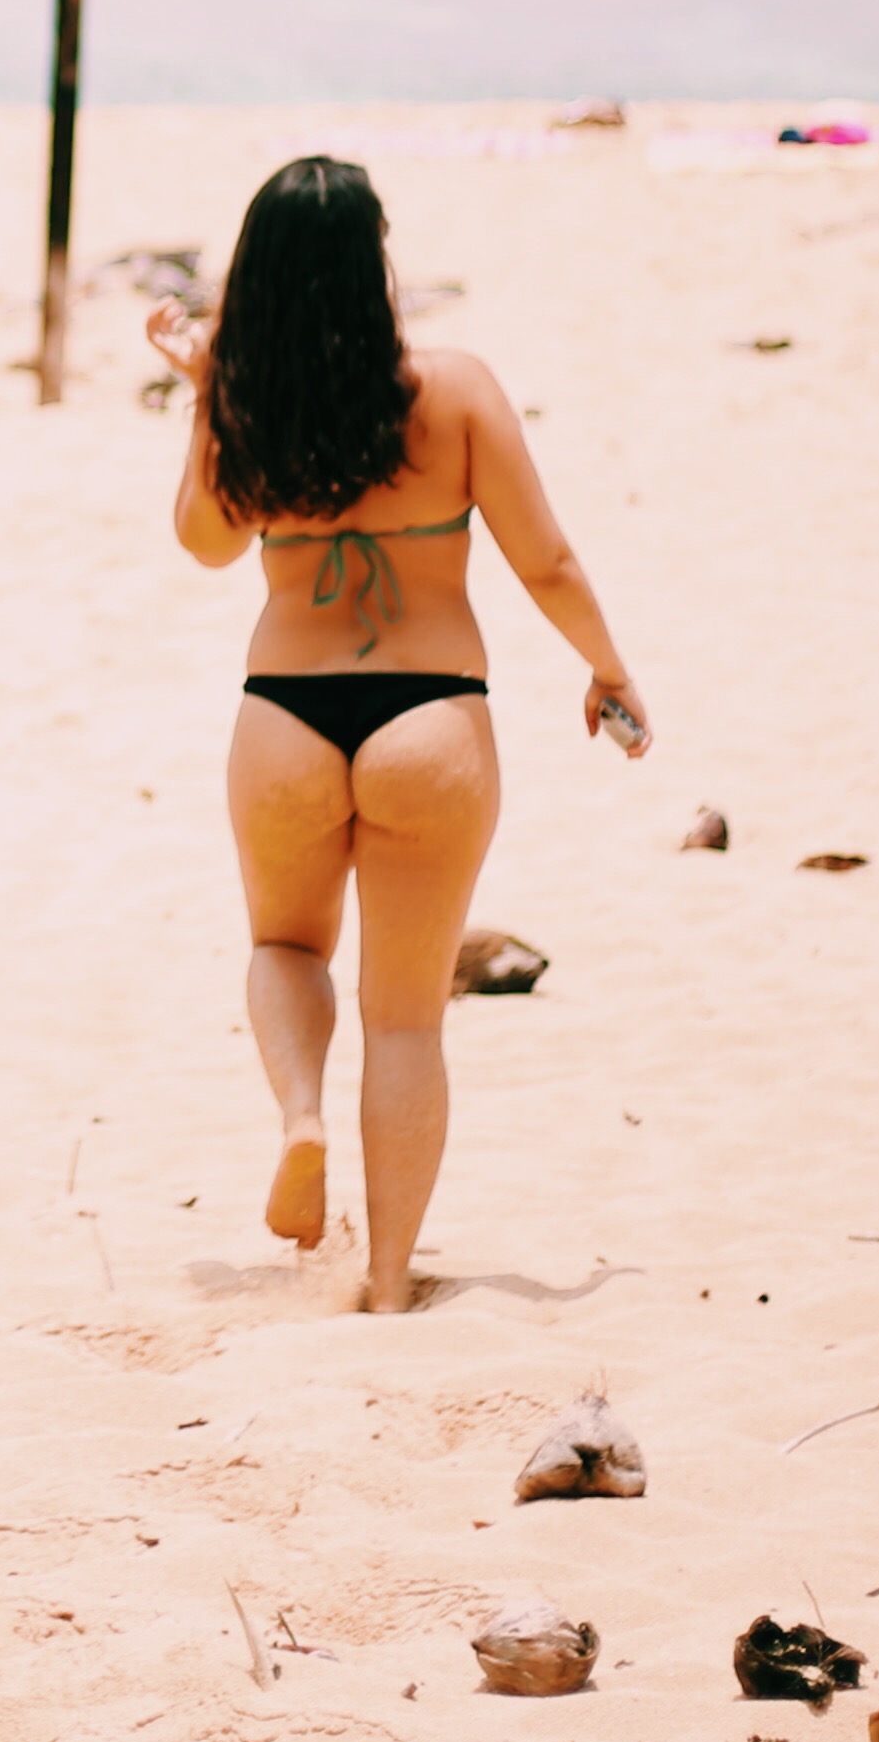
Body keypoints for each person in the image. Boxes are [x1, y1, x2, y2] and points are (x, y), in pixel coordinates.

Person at [152, 153, 646, 1312]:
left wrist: (208, 387)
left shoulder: (248, 400)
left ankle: (301, 1116)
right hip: (430, 714)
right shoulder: (459, 387)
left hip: (285, 716)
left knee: (285, 949)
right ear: (375, 265)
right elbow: (549, 560)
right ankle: (382, 1282)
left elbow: (204, 543)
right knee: (408, 1016)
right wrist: (607, 668)